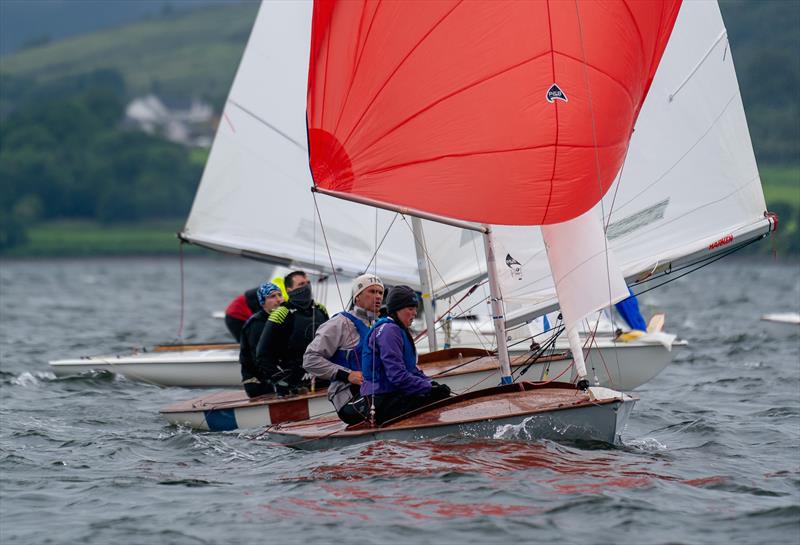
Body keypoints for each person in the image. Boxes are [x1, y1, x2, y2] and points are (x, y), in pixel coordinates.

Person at [361, 285, 451, 425]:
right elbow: (397, 375)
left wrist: (431, 383)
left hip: (393, 394)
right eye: (410, 308)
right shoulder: (389, 331)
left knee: (439, 395)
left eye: (415, 308)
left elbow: (412, 370)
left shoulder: (397, 329)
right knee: (436, 400)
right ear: (397, 310)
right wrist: (428, 389)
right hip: (381, 400)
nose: (415, 313)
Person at [303, 274, 384, 424]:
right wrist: (348, 375)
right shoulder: (339, 323)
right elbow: (309, 359)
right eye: (372, 292)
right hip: (348, 397)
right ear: (357, 297)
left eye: (380, 293)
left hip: (378, 391)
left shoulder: (381, 325)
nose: (378, 297)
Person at [256, 270, 329, 395]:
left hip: (322, 378)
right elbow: (262, 354)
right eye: (301, 284)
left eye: (308, 283)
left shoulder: (320, 309)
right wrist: (282, 381)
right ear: (289, 290)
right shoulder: (281, 314)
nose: (306, 287)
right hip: (294, 384)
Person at [239, 282, 285, 398]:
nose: (278, 300)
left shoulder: (282, 318)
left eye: (280, 295)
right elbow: (258, 358)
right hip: (257, 381)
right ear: (263, 302)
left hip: (277, 373)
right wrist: (279, 378)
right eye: (272, 296)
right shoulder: (256, 325)